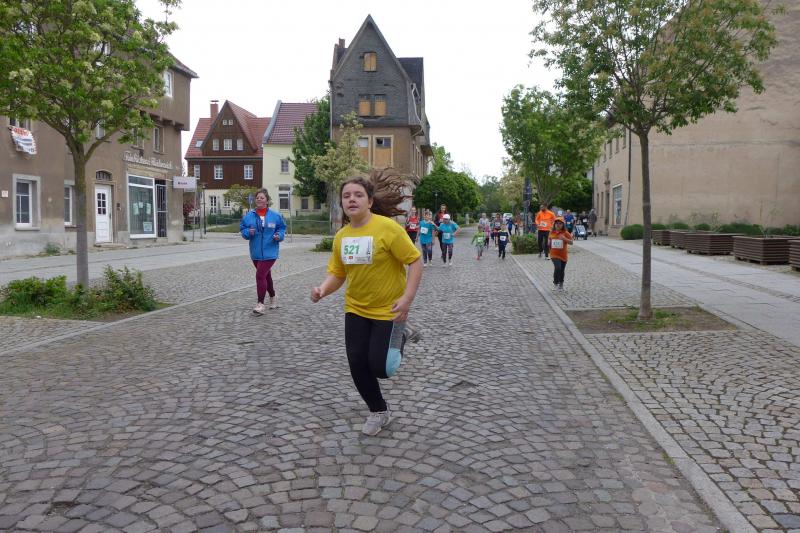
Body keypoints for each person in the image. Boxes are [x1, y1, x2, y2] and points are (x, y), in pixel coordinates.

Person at [310, 176, 423, 436]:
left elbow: (415, 261)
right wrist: (322, 290)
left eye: (358, 195)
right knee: (357, 363)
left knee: (382, 368)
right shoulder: (342, 236)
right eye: (346, 195)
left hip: (388, 309)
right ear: (341, 202)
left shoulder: (388, 228)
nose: (352, 199)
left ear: (370, 201)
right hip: (356, 308)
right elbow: (338, 273)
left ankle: (401, 334)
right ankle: (379, 411)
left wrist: (407, 299)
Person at [240, 189, 286, 315]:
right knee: (266, 276)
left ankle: (260, 304)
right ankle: (273, 297)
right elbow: (243, 229)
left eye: (262, 197)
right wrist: (247, 232)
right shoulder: (249, 216)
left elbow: (282, 229)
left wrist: (278, 235)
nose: (259, 199)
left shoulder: (275, 216)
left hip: (270, 252)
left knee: (260, 275)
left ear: (267, 200)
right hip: (255, 252)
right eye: (257, 198)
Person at [548, 218, 574, 290]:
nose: (558, 225)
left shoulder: (565, 233)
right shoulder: (551, 232)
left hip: (563, 255)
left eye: (560, 223)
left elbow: (571, 242)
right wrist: (548, 243)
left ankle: (561, 284)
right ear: (554, 224)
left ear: (563, 225)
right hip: (554, 254)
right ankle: (555, 283)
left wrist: (564, 239)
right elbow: (549, 241)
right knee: (557, 267)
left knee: (562, 270)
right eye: (557, 223)